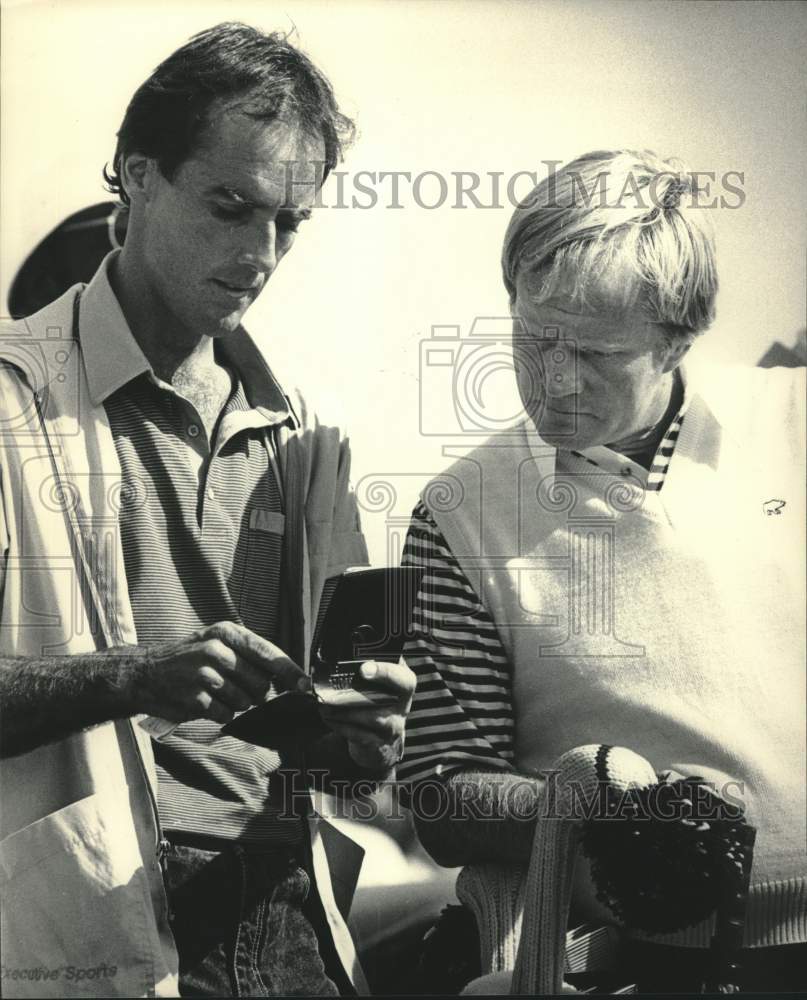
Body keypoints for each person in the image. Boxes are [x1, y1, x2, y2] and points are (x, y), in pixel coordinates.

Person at [0, 22, 415, 998]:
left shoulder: (304, 434)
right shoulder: (14, 402)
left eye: (290, 222)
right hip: (89, 917)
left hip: (289, 904)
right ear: (136, 177)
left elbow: (341, 760)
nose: (260, 252)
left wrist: (361, 744)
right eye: (231, 206)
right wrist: (142, 675)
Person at [398, 149, 806, 990]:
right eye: (533, 335)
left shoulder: (793, 423)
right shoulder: (458, 511)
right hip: (636, 968)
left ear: (677, 339)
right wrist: (596, 808)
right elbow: (440, 795)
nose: (552, 379)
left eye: (593, 354)